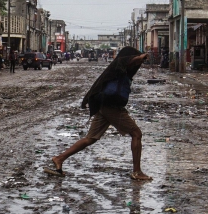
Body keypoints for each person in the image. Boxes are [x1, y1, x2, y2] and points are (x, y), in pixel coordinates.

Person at [45, 47, 152, 181]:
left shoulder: (119, 71)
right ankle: (137, 172)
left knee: (91, 138)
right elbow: (127, 60)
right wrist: (141, 57)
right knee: (136, 134)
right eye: (136, 62)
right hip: (111, 107)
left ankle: (59, 158)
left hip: (104, 106)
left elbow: (101, 82)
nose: (138, 66)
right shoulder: (120, 66)